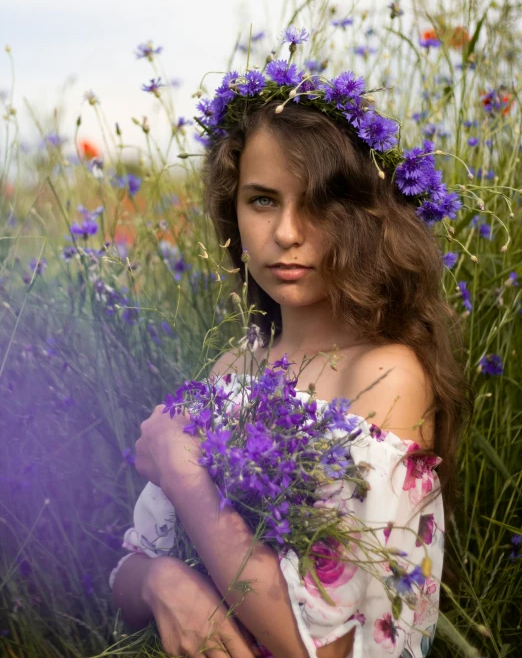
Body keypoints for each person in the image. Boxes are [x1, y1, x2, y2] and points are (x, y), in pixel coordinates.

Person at [109, 77, 473, 657]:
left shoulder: (386, 377)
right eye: (262, 200)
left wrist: (185, 476)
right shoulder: (234, 368)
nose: (285, 233)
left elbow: (327, 651)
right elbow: (130, 567)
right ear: (233, 213)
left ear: (365, 216)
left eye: (319, 203)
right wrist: (161, 582)